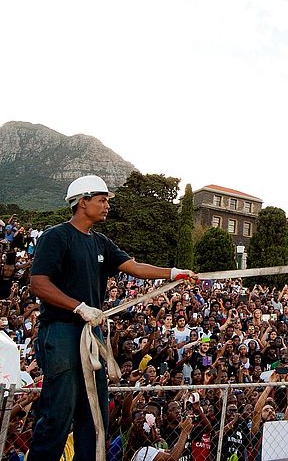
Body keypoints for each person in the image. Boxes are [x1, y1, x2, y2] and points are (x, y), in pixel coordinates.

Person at [27, 175, 195, 461]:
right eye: (102, 200)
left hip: (91, 335)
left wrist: (172, 273)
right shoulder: (56, 236)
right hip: (62, 331)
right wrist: (78, 307)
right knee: (57, 413)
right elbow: (39, 283)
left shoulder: (101, 242)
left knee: (94, 416)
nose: (107, 206)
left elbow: (134, 266)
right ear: (83, 202)